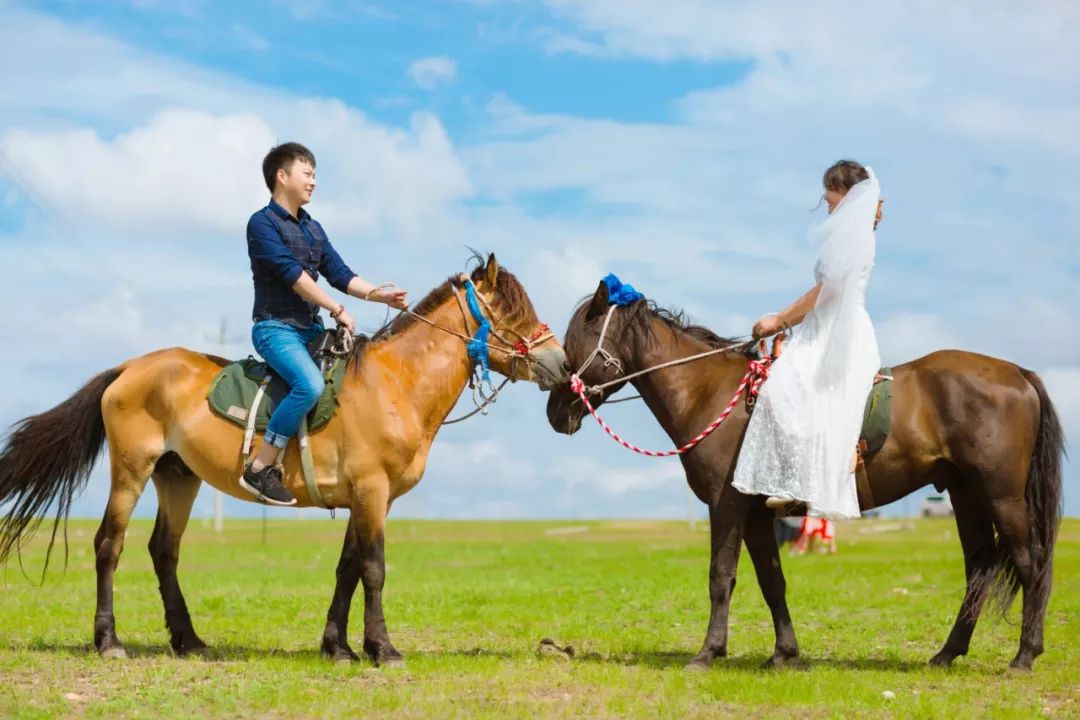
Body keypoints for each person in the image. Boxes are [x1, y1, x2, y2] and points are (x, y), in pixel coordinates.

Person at [241, 142, 409, 506]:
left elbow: (340, 274)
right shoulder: (261, 223)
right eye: (307, 173)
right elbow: (295, 276)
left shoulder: (314, 228)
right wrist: (337, 310)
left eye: (315, 175)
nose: (313, 181)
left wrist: (381, 296)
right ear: (281, 176)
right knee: (310, 385)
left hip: (311, 331)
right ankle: (260, 465)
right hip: (276, 328)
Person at [732, 160, 884, 519]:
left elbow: (826, 291)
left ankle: (800, 485)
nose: (825, 201)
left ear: (845, 193)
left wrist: (779, 319)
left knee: (783, 388)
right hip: (831, 323)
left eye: (829, 193)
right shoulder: (854, 235)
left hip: (835, 329)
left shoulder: (851, 236)